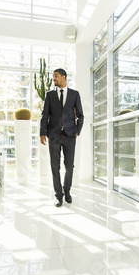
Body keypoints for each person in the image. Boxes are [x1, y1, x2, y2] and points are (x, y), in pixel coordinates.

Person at [40, 68, 84, 207]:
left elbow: (81, 115)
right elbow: (45, 115)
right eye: (53, 76)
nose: (54, 79)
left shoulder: (75, 94)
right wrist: (42, 132)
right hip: (54, 135)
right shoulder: (50, 95)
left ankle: (67, 191)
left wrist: (77, 130)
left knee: (69, 166)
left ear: (63, 77)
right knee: (54, 166)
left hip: (70, 135)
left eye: (56, 76)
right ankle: (58, 196)